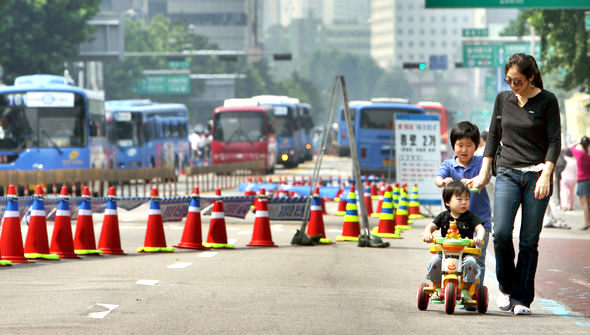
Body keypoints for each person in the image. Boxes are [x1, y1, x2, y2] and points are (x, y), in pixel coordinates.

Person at [469, 53, 561, 315]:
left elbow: (555, 141)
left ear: (531, 77)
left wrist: (546, 174)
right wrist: (485, 171)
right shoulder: (503, 99)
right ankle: (506, 286)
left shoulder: (547, 101)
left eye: (518, 81)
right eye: (508, 80)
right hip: (508, 172)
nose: (513, 85)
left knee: (529, 241)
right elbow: (493, 137)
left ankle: (522, 299)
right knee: (500, 233)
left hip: (537, 176)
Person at [434, 121, 491, 285]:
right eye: (460, 145)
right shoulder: (449, 165)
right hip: (453, 224)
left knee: (476, 260)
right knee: (448, 259)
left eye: (469, 145)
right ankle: (446, 287)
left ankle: (474, 293)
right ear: (453, 146)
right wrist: (444, 181)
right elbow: (438, 179)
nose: (464, 150)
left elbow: (485, 178)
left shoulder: (481, 163)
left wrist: (476, 181)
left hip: (479, 222)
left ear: (476, 146)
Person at [422, 181, 486, 304]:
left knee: (471, 263)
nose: (464, 202)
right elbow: (430, 226)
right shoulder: (443, 216)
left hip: (465, 252)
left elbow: (480, 228)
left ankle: (466, 290)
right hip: (445, 252)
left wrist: (479, 237)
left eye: (467, 199)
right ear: (447, 202)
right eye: (459, 199)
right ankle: (436, 287)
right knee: (435, 261)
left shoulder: (471, 217)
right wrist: (428, 234)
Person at [569, 136, 590, 230]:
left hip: (582, 180)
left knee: (584, 203)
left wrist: (577, 142)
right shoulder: (588, 155)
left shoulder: (579, 154)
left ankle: (587, 222)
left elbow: (570, 147)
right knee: (588, 203)